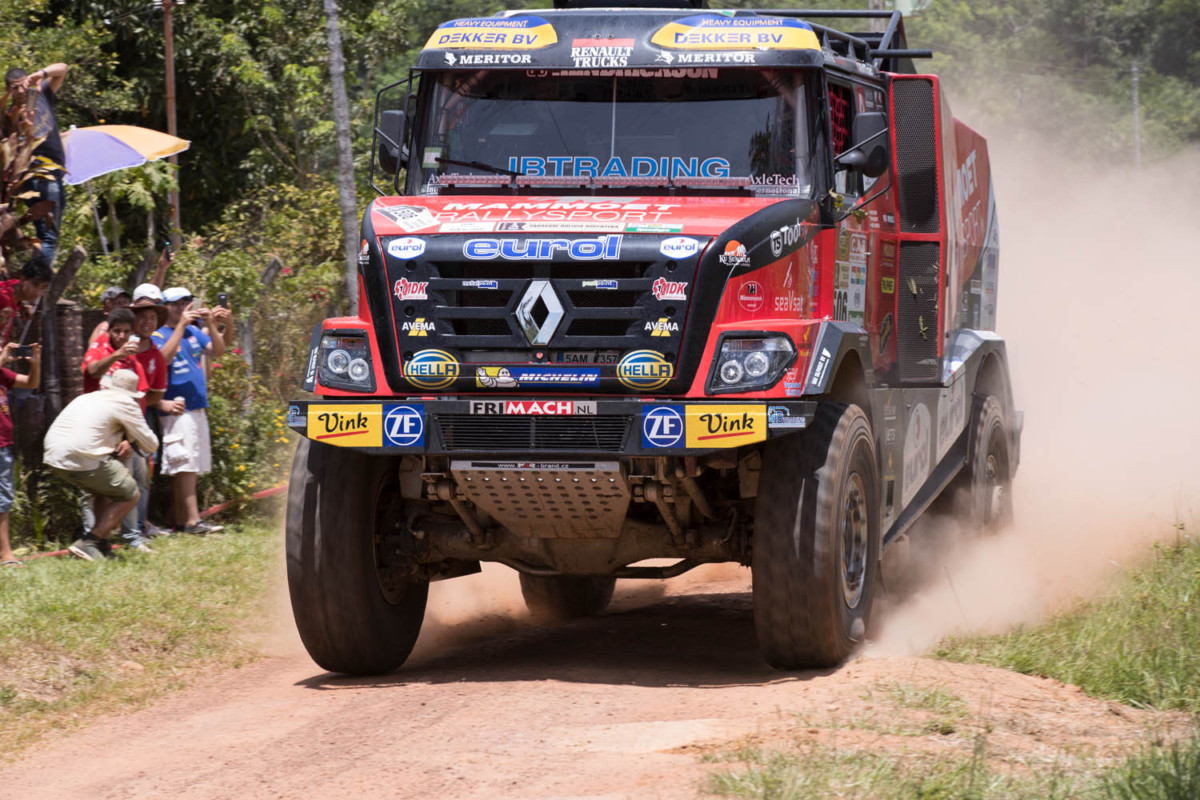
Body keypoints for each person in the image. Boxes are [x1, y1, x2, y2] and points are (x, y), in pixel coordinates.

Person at [45, 369, 158, 562]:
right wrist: (130, 436)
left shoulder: (88, 398)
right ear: (133, 394)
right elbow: (151, 444)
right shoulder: (125, 403)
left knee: (104, 490)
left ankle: (102, 545)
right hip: (81, 457)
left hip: (53, 456)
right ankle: (90, 541)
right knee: (130, 492)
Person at [152, 288, 231, 534]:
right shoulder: (158, 334)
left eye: (186, 302)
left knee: (191, 464)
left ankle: (178, 517)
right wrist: (180, 326)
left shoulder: (195, 331)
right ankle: (192, 522)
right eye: (175, 304)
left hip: (197, 406)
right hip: (175, 407)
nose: (182, 308)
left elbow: (218, 351)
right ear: (164, 307)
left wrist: (217, 324)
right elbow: (161, 360)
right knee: (184, 464)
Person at [3, 63, 69, 268]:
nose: (21, 91)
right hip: (37, 175)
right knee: (47, 235)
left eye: (23, 85)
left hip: (54, 171)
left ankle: (32, 277)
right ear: (8, 91)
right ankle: (38, 283)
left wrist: (40, 74)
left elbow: (63, 68)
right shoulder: (10, 115)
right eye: (15, 87)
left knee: (47, 234)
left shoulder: (40, 96)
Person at [0, 341, 40, 566]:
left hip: (3, 446)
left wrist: (35, 363)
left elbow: (32, 382)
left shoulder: (3, 374)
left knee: (3, 502)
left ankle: (6, 553)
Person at [0, 259, 52, 348]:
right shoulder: (4, 299)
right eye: (35, 285)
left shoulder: (13, 286)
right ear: (23, 279)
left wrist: (21, 306)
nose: (38, 292)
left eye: (43, 288)